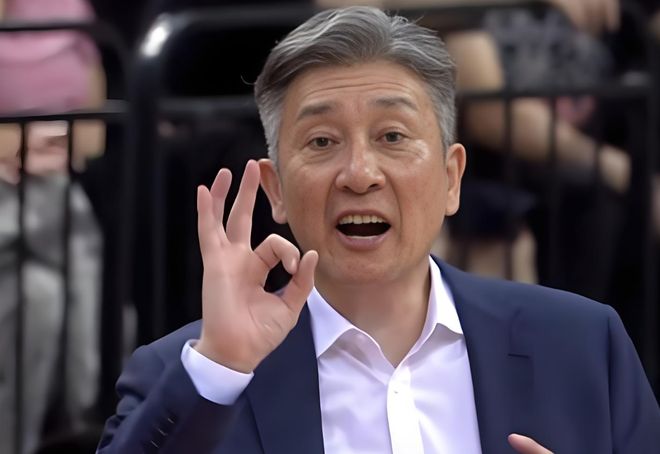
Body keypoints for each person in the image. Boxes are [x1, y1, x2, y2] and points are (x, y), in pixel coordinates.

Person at [97, 6, 660, 453]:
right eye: (322, 141)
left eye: (392, 136)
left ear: (451, 178)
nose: (359, 173)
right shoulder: (189, 374)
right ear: (276, 189)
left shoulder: (585, 347)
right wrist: (220, 368)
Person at [0, 0, 105, 452]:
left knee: (45, 298)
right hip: (11, 192)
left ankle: (85, 420)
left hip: (56, 184)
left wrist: (30, 141)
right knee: (44, 296)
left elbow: (93, 135)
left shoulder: (69, 9)